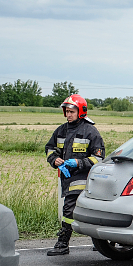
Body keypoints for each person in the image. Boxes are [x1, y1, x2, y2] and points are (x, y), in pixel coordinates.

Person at [44, 94, 105, 256]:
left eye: (72, 111)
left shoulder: (90, 131)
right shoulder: (61, 130)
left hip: (83, 178)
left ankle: (63, 243)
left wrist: (78, 163)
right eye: (67, 112)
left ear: (81, 112)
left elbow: (98, 158)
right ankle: (101, 242)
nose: (68, 115)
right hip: (67, 177)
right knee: (88, 211)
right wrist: (54, 159)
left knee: (69, 209)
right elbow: (50, 148)